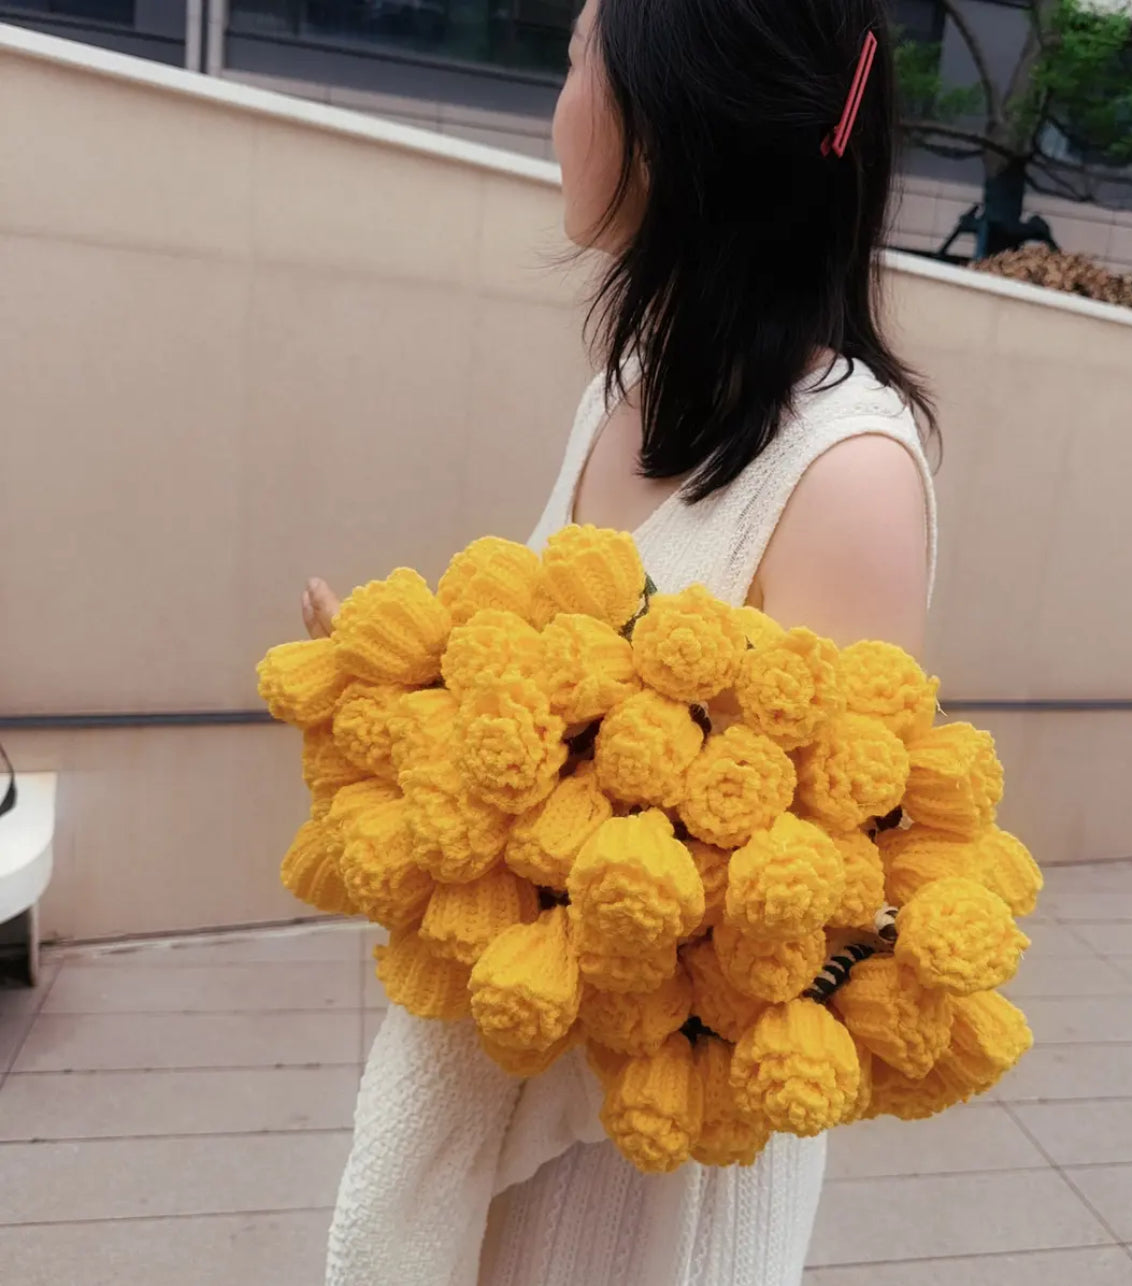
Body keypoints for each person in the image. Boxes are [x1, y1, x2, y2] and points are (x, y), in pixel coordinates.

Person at [304, 0, 937, 1281]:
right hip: (513, 1079)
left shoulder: (847, 468)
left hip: (652, 1166)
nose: (559, 100)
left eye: (577, 58)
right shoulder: (626, 386)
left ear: (665, 122)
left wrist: (448, 732)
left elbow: (804, 914)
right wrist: (409, 695)